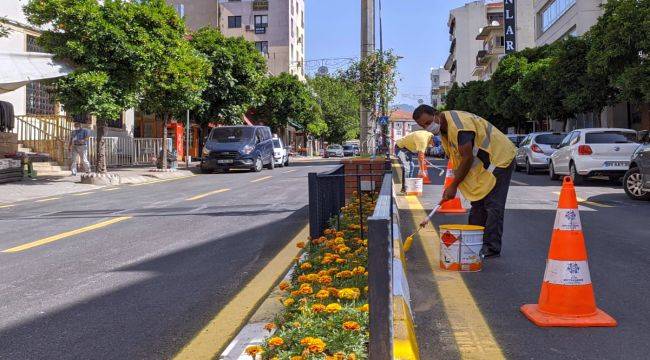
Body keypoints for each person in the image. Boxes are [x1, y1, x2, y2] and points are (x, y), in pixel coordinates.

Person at [412, 105, 516, 258]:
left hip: (500, 159)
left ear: (436, 114)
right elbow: (458, 158)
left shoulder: (460, 126)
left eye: (428, 123)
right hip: (485, 166)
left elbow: (467, 158)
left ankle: (491, 247)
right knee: (478, 203)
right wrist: (456, 183)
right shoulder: (444, 130)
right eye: (423, 126)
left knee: (493, 205)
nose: (427, 128)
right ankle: (474, 241)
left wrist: (453, 185)